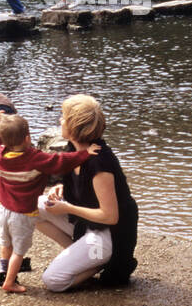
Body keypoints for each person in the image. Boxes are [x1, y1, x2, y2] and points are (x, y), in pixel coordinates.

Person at [0, 112, 100, 293]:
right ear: (28, 138)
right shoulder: (35, 159)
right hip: (23, 213)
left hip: (4, 209)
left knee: (6, 244)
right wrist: (85, 154)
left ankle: (3, 272)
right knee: (19, 251)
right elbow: (61, 161)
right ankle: (10, 282)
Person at [35, 94, 139, 290]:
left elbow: (110, 216)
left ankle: (99, 262)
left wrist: (68, 207)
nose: (60, 120)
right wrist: (63, 189)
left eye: (64, 117)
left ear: (75, 126)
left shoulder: (100, 162)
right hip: (88, 227)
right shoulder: (73, 150)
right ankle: (82, 255)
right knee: (34, 206)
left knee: (53, 281)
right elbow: (86, 187)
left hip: (109, 235)